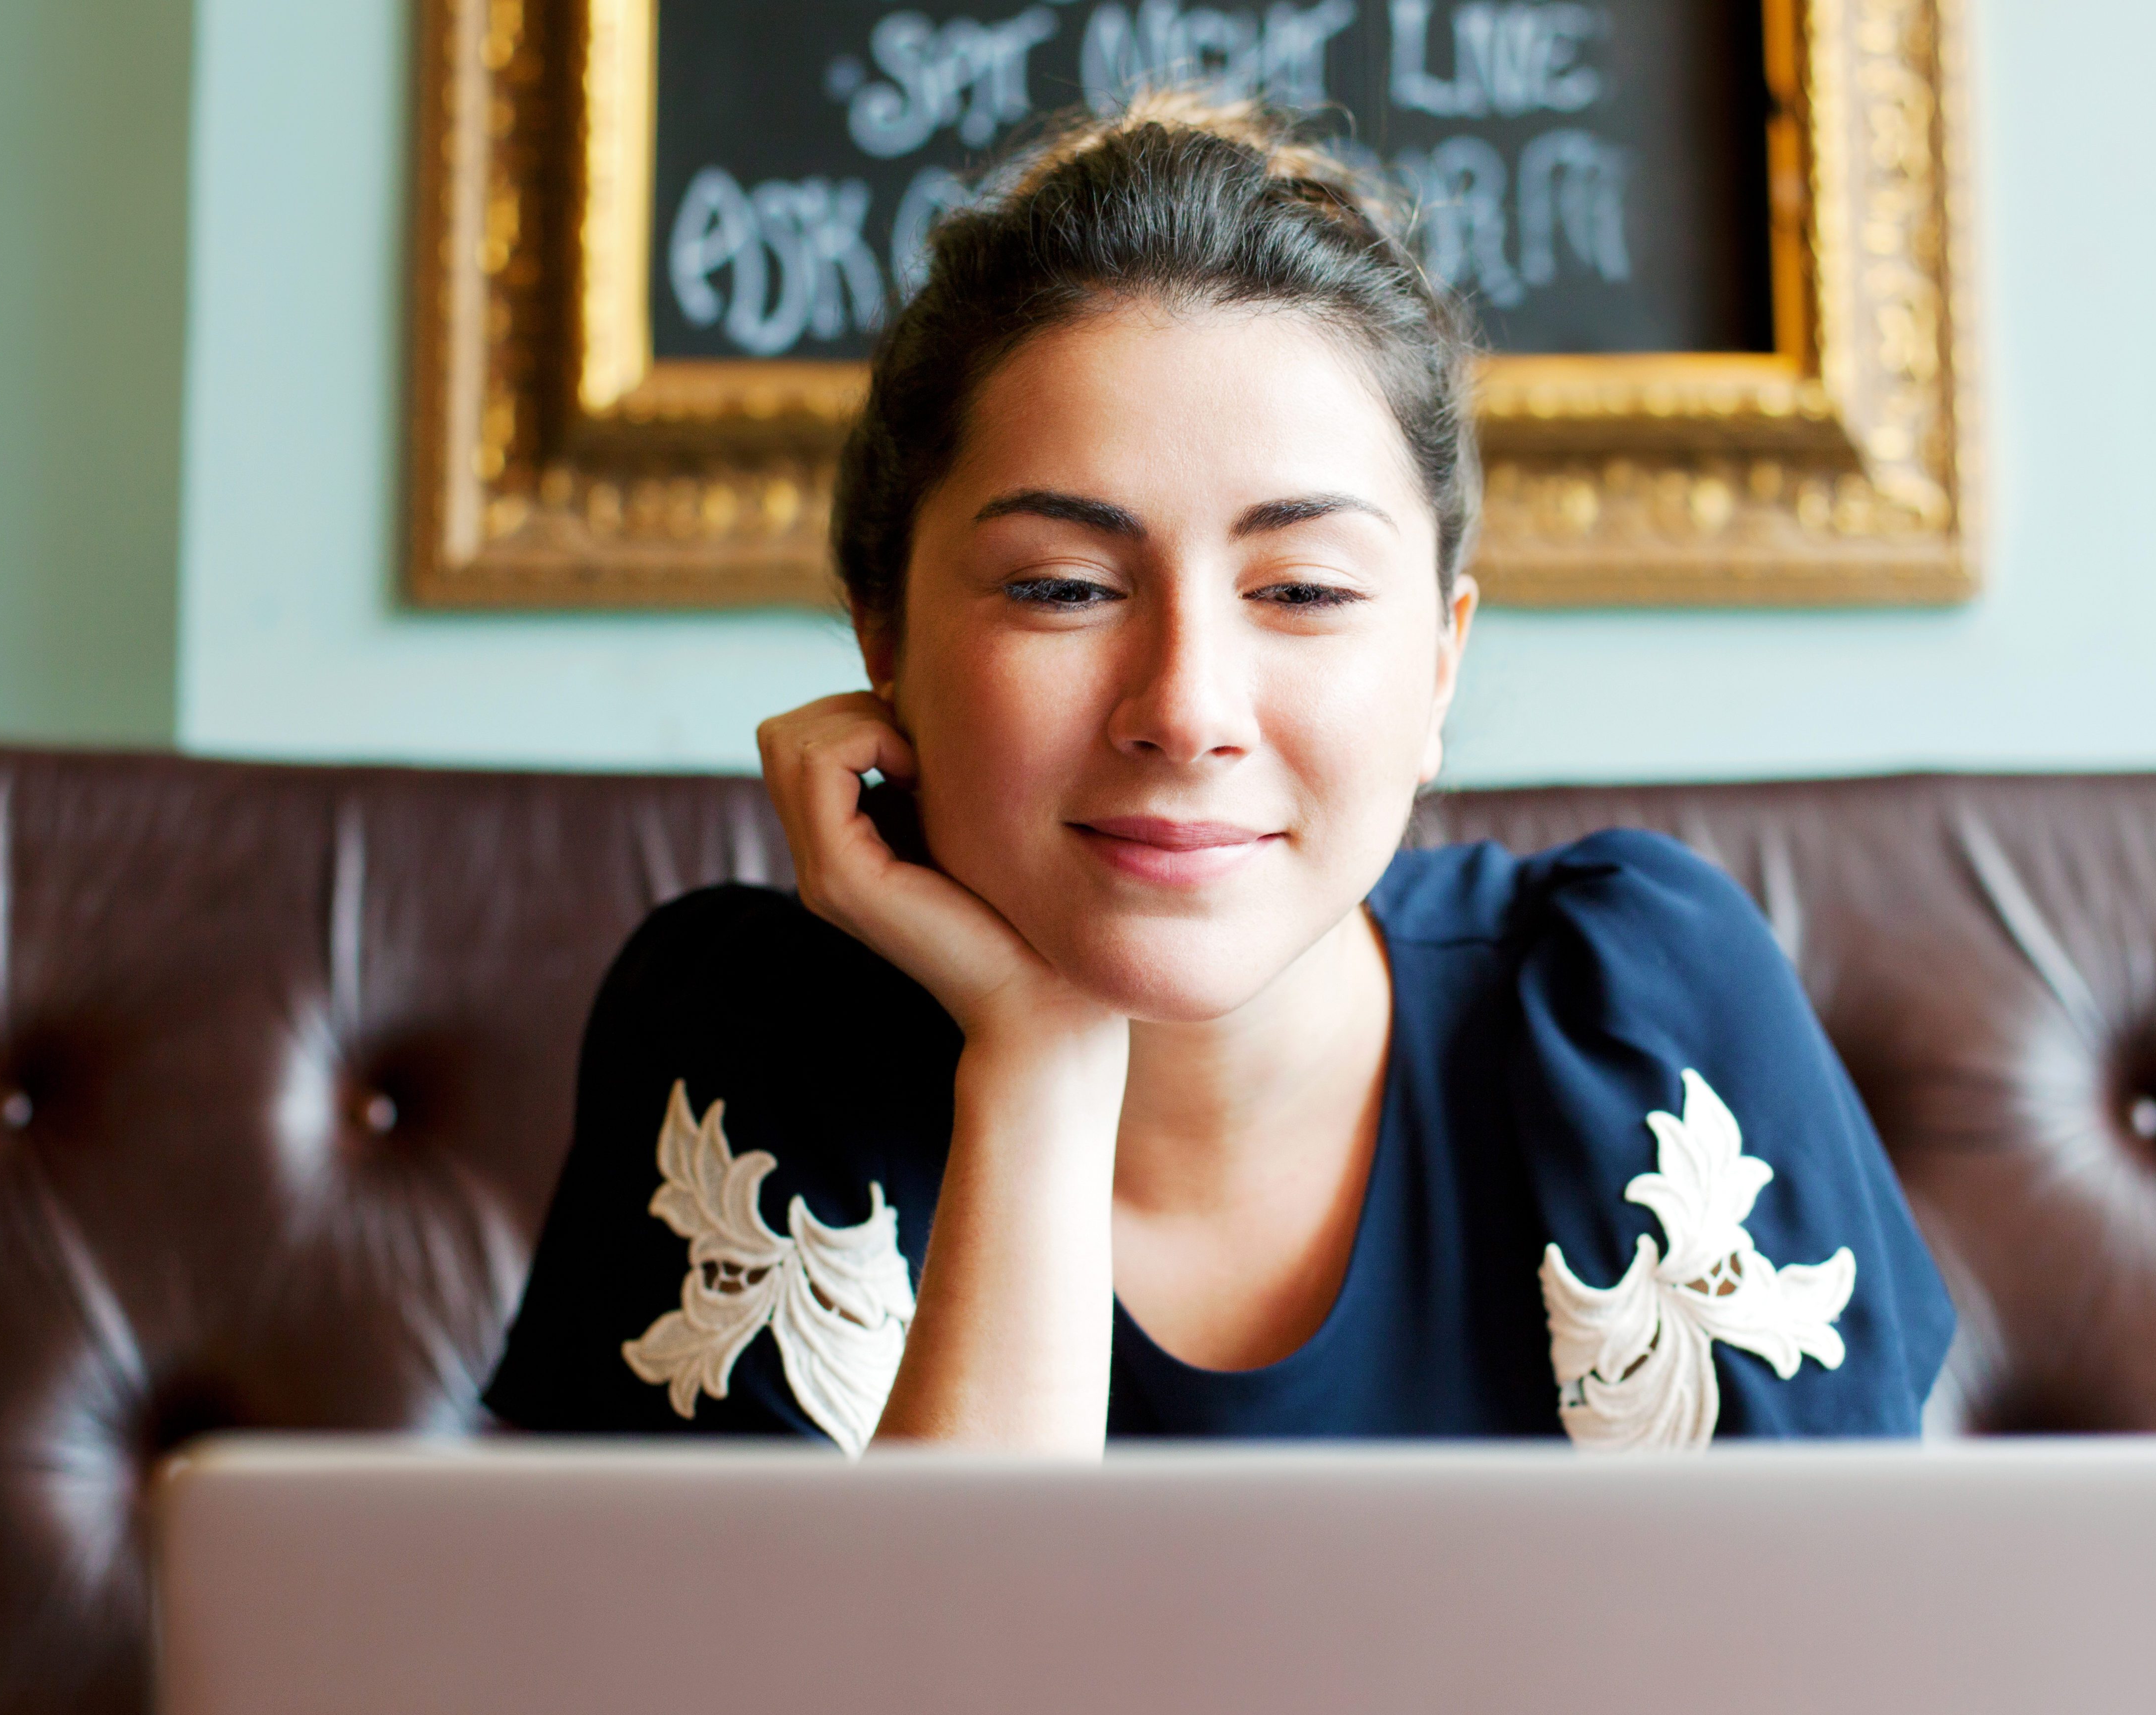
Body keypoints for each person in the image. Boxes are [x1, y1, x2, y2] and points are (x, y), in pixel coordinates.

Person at [481, 95, 1953, 1458]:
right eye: (1063, 586)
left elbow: (1849, 1698)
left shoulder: (1645, 1007)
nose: (1186, 710)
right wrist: (1040, 1067)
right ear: (886, 635)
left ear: (1440, 663)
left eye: (1304, 590)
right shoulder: (746, 1046)